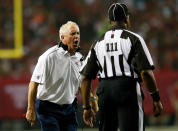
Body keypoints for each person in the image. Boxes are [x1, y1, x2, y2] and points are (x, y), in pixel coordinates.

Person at [80, 3, 163, 131]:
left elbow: (85, 77)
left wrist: (86, 107)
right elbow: (146, 73)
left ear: (109, 21)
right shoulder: (134, 38)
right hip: (128, 88)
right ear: (127, 18)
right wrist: (156, 98)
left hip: (104, 91)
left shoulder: (98, 42)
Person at [25, 21, 97, 131]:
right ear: (62, 37)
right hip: (48, 108)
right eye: (72, 34)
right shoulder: (49, 57)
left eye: (77, 33)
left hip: (69, 108)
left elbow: (81, 85)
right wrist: (30, 108)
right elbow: (33, 83)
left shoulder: (79, 58)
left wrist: (91, 100)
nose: (76, 36)